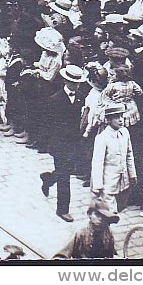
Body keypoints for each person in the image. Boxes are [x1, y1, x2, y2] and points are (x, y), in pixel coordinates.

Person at [40, 65, 89, 222]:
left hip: (75, 142)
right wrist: (50, 144)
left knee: (66, 170)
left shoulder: (81, 97)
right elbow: (48, 124)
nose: (76, 85)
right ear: (65, 81)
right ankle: (62, 209)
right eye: (73, 82)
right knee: (65, 176)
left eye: (78, 82)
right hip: (60, 143)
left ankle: (48, 179)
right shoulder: (55, 100)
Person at [91, 103, 137, 213]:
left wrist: (132, 174)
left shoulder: (125, 133)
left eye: (121, 116)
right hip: (108, 182)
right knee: (109, 212)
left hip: (123, 180)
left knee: (119, 208)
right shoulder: (102, 138)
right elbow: (97, 163)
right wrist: (98, 186)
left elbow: (129, 155)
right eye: (116, 117)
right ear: (108, 120)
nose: (120, 120)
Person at [53, 197, 119, 259]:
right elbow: (62, 255)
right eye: (97, 215)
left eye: (103, 216)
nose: (100, 218)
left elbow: (111, 253)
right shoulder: (80, 231)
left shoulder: (108, 231)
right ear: (89, 215)